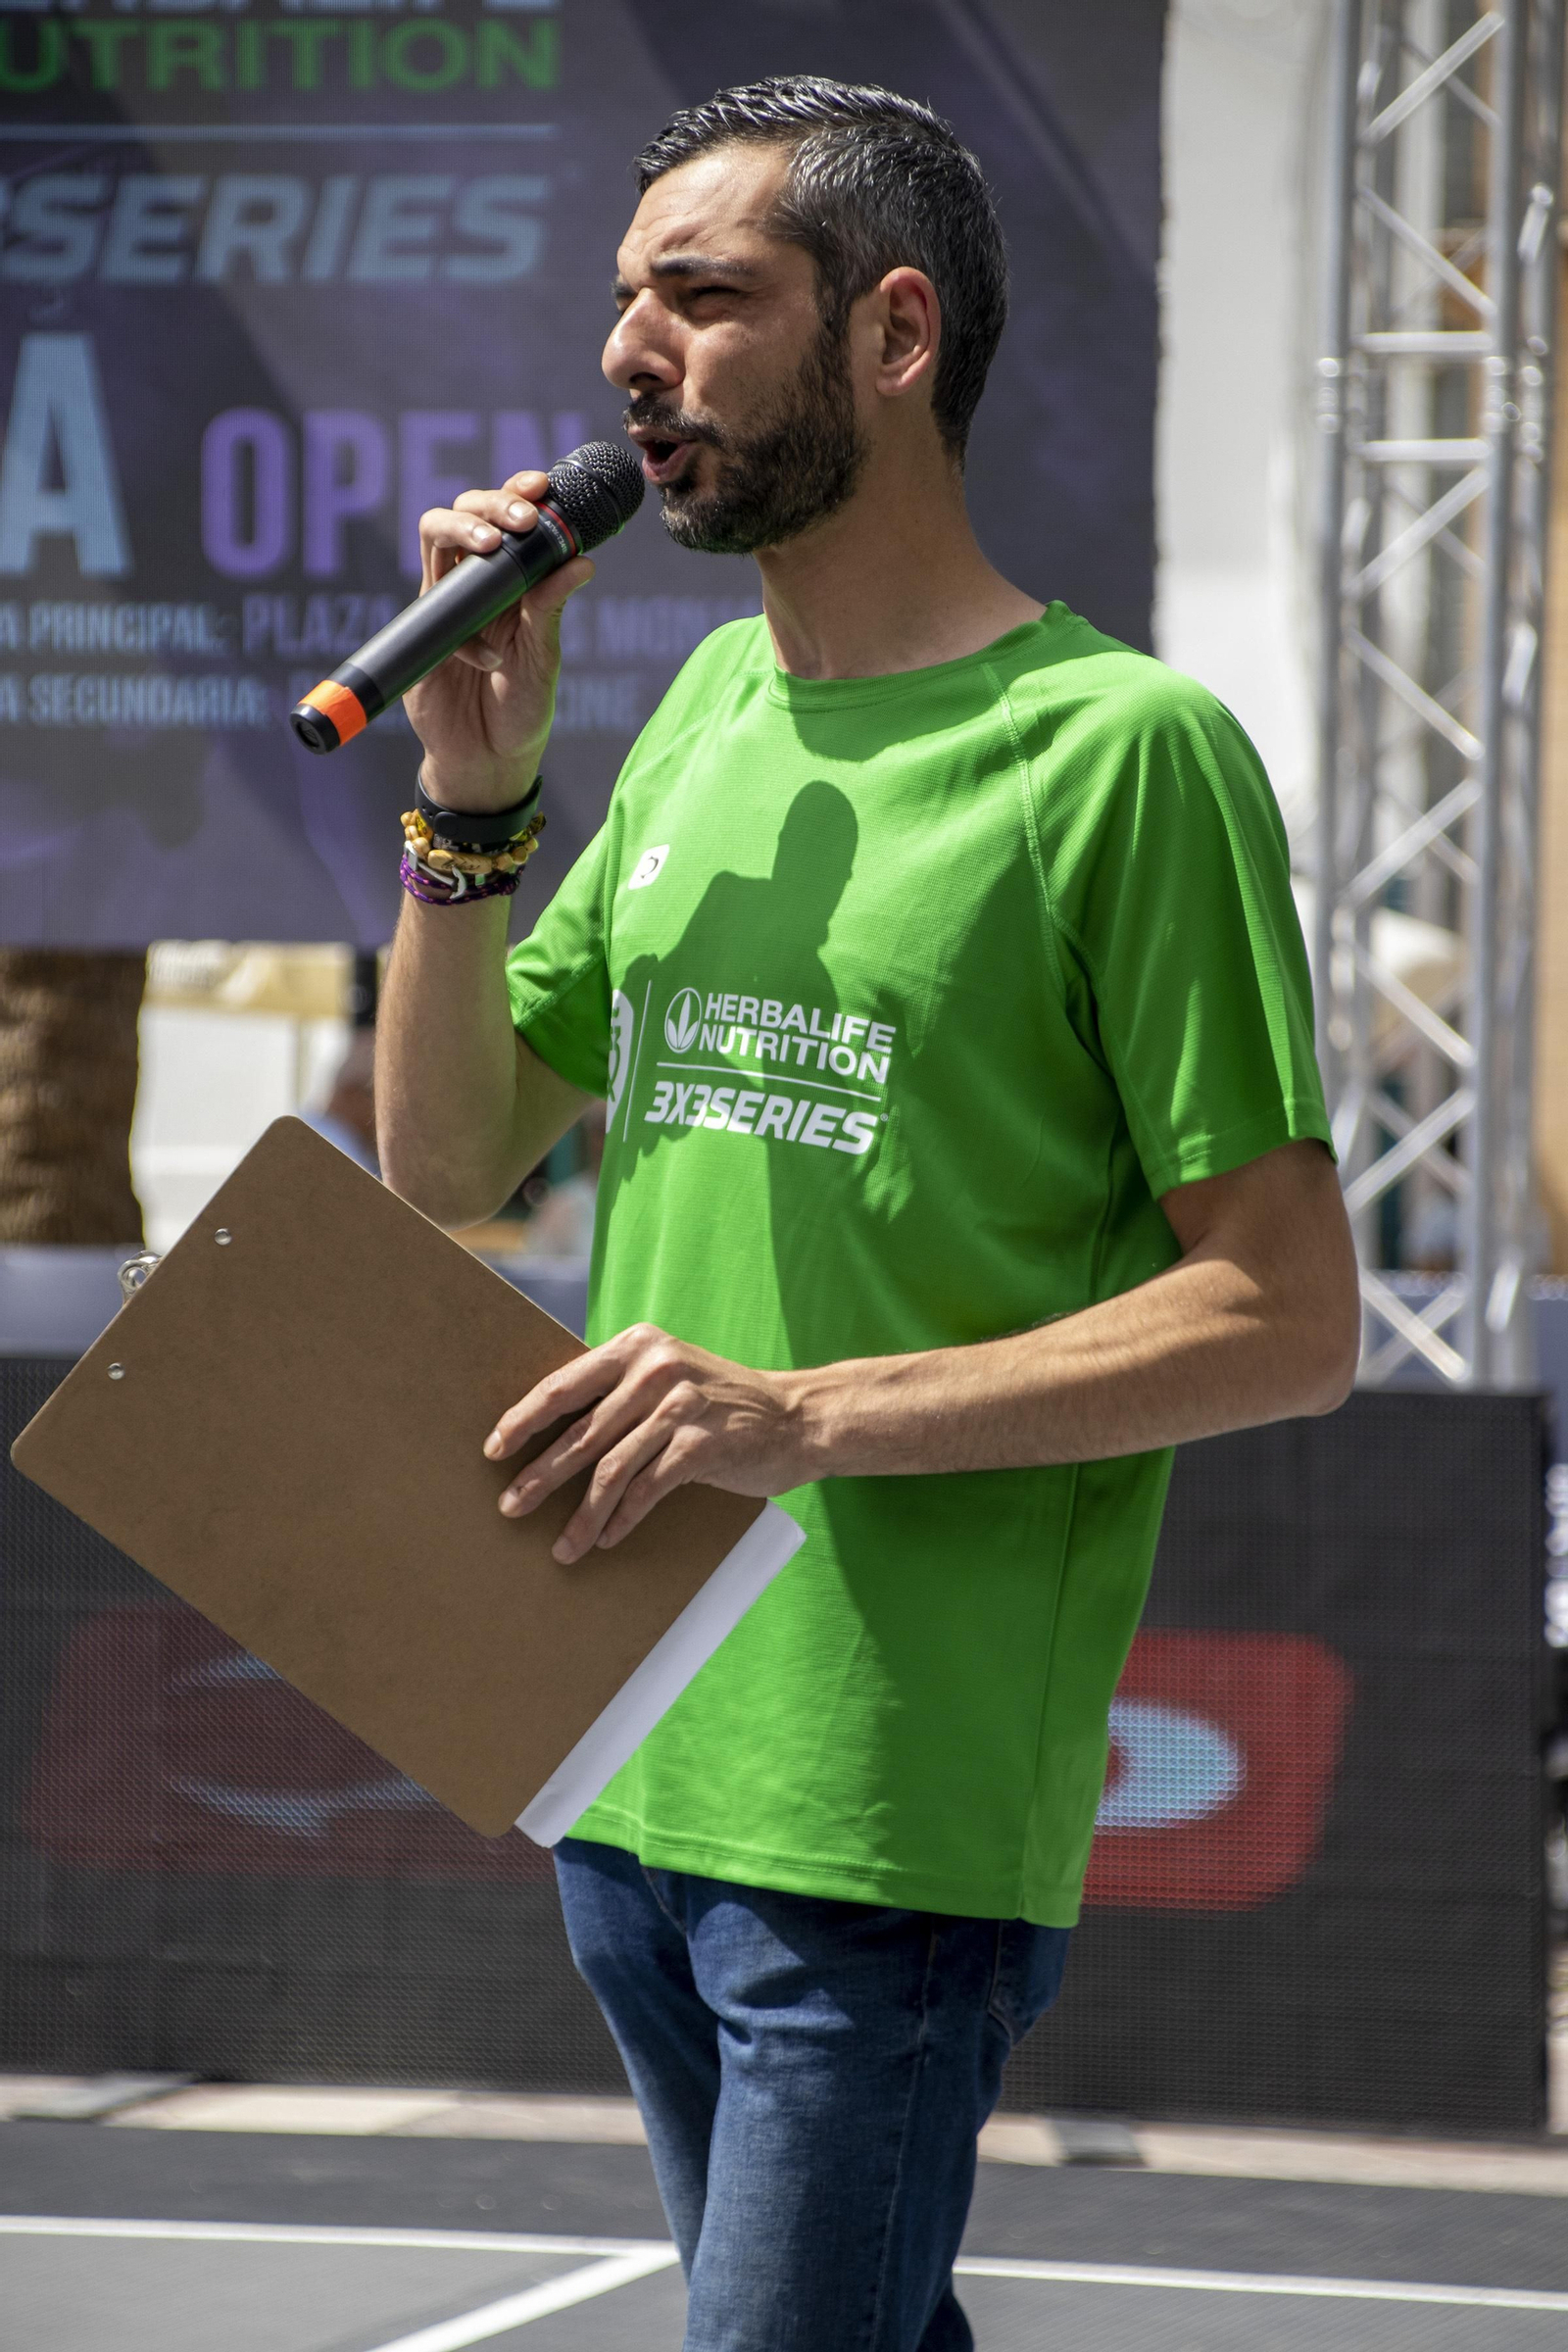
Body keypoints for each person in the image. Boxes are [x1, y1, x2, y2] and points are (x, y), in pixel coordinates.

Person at [376, 74, 1360, 2352]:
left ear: (891, 333)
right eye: (622, 301)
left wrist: (797, 1416)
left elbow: (1283, 1318)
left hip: (878, 1819)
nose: (631, 355)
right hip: (626, 1757)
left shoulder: (1123, 753)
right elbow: (446, 1166)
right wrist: (474, 808)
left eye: (703, 298)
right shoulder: (709, 707)